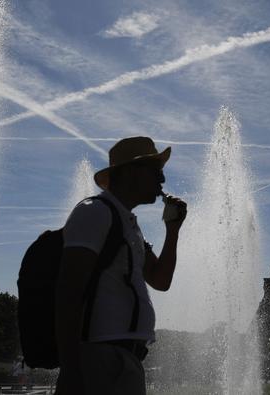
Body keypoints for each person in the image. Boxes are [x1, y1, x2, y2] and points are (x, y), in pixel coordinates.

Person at [55, 137, 187, 395]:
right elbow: (68, 293)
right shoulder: (94, 212)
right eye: (156, 171)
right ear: (130, 172)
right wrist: (71, 370)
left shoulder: (129, 224)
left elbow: (161, 281)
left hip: (125, 358)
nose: (162, 181)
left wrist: (173, 231)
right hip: (101, 357)